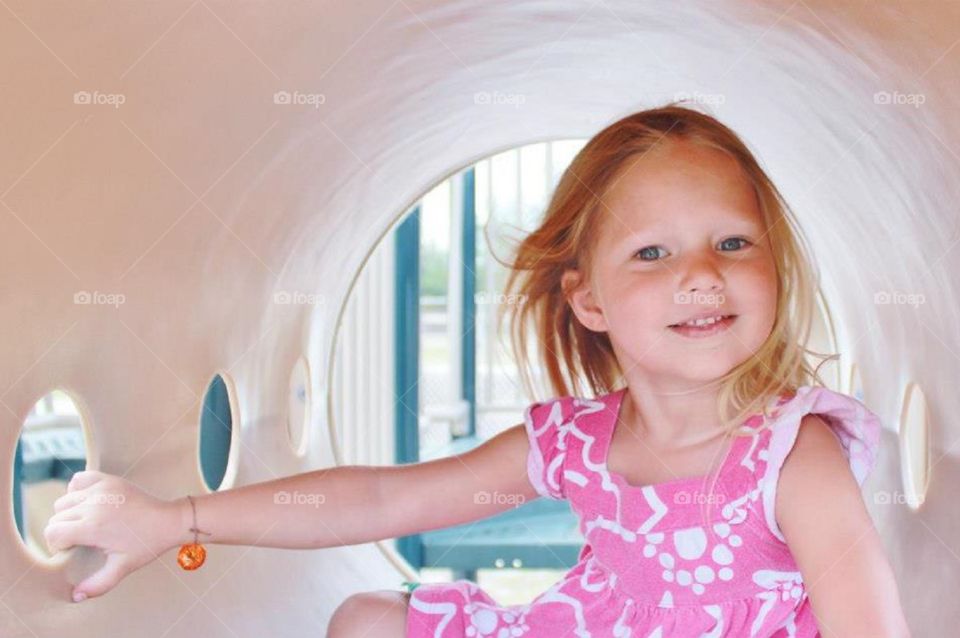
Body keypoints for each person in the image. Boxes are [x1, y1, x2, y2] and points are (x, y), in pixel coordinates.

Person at [44, 104, 911, 637]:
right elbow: (384, 501)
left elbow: (868, 623)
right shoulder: (576, 444)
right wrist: (179, 518)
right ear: (590, 301)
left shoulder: (793, 455)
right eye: (652, 251)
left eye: (733, 241)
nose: (701, 274)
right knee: (364, 621)